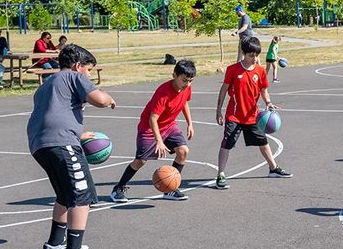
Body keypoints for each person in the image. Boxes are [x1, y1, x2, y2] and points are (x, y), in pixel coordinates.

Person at [27, 44, 117, 249]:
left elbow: (53, 114)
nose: (88, 74)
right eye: (88, 70)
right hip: (61, 142)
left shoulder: (47, 85)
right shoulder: (73, 76)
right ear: (78, 66)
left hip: (40, 144)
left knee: (65, 195)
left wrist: (77, 134)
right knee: (81, 194)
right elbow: (99, 99)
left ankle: (55, 244)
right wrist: (108, 98)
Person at [110, 60, 197, 203]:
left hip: (169, 125)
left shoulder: (186, 87)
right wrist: (159, 140)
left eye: (190, 81)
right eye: (184, 80)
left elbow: (184, 102)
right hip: (149, 128)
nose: (187, 84)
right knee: (141, 161)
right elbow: (152, 119)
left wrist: (190, 123)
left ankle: (170, 189)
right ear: (174, 75)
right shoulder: (163, 92)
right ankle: (118, 188)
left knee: (183, 151)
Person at [214, 35, 291, 189]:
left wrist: (268, 103)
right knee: (227, 144)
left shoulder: (261, 71)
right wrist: (218, 111)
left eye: (256, 55)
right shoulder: (233, 70)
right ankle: (220, 175)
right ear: (243, 53)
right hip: (234, 115)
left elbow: (264, 92)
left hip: (253, 115)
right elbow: (223, 91)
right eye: (251, 55)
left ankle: (273, 168)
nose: (254, 58)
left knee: (262, 141)